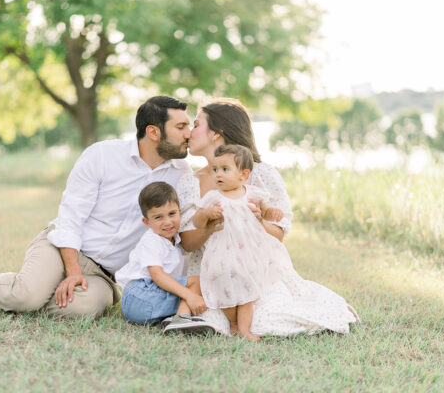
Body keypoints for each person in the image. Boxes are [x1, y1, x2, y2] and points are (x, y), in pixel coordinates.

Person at [0, 96, 209, 328]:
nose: (189, 133)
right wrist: (73, 271)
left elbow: (183, 230)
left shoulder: (181, 174)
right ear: (153, 131)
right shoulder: (102, 156)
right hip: (60, 246)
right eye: (182, 126)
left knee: (78, 310)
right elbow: (71, 217)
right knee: (28, 295)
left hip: (103, 274)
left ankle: (9, 295)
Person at [178, 98, 359, 336]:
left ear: (216, 133)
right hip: (214, 275)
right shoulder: (190, 182)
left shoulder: (259, 175)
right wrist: (208, 226)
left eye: (196, 124)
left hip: (257, 271)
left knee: (268, 317)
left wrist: (259, 221)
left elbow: (279, 233)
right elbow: (188, 244)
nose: (189, 132)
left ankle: (320, 304)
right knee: (215, 322)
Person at [193, 144, 285, 341]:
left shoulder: (252, 193)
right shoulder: (213, 197)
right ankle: (232, 322)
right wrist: (207, 214)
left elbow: (265, 210)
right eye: (215, 169)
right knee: (221, 281)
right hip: (222, 252)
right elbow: (197, 221)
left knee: (247, 289)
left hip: (248, 251)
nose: (218, 174)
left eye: (225, 169)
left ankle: (243, 328)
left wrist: (271, 214)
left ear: (243, 175)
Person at [115, 182, 214, 333]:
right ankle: (182, 318)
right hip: (140, 295)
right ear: (147, 222)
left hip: (145, 303)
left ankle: (175, 317)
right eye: (158, 217)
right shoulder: (152, 240)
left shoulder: (176, 241)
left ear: (179, 212)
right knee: (197, 282)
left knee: (196, 291)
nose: (167, 222)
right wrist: (190, 296)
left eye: (172, 214)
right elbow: (157, 275)